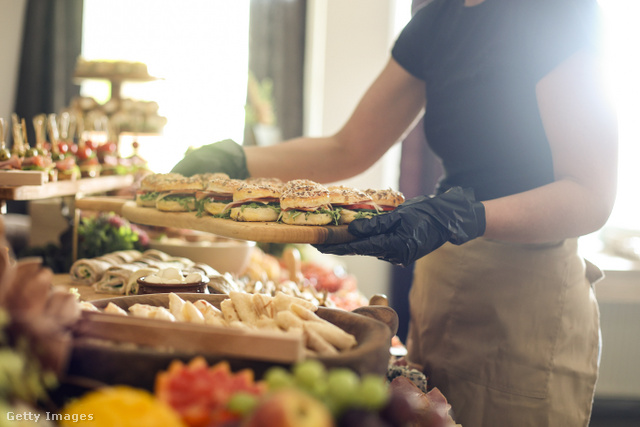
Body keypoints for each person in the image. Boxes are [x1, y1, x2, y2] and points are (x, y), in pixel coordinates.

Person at [171, 0, 617, 425]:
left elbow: (590, 195)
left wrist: (459, 215)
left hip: (526, 297)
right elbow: (348, 148)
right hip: (443, 279)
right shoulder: (436, 21)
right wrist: (237, 160)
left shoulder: (558, 11)